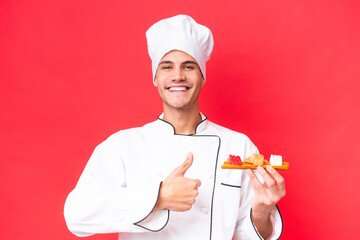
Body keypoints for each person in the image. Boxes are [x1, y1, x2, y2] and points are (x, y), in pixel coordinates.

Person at [64, 15, 286, 240]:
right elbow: (76, 215)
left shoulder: (239, 146)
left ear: (202, 76)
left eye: (188, 66)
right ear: (156, 77)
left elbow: (247, 235)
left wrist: (261, 211)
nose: (178, 76)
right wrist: (159, 198)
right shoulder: (124, 145)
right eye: (167, 67)